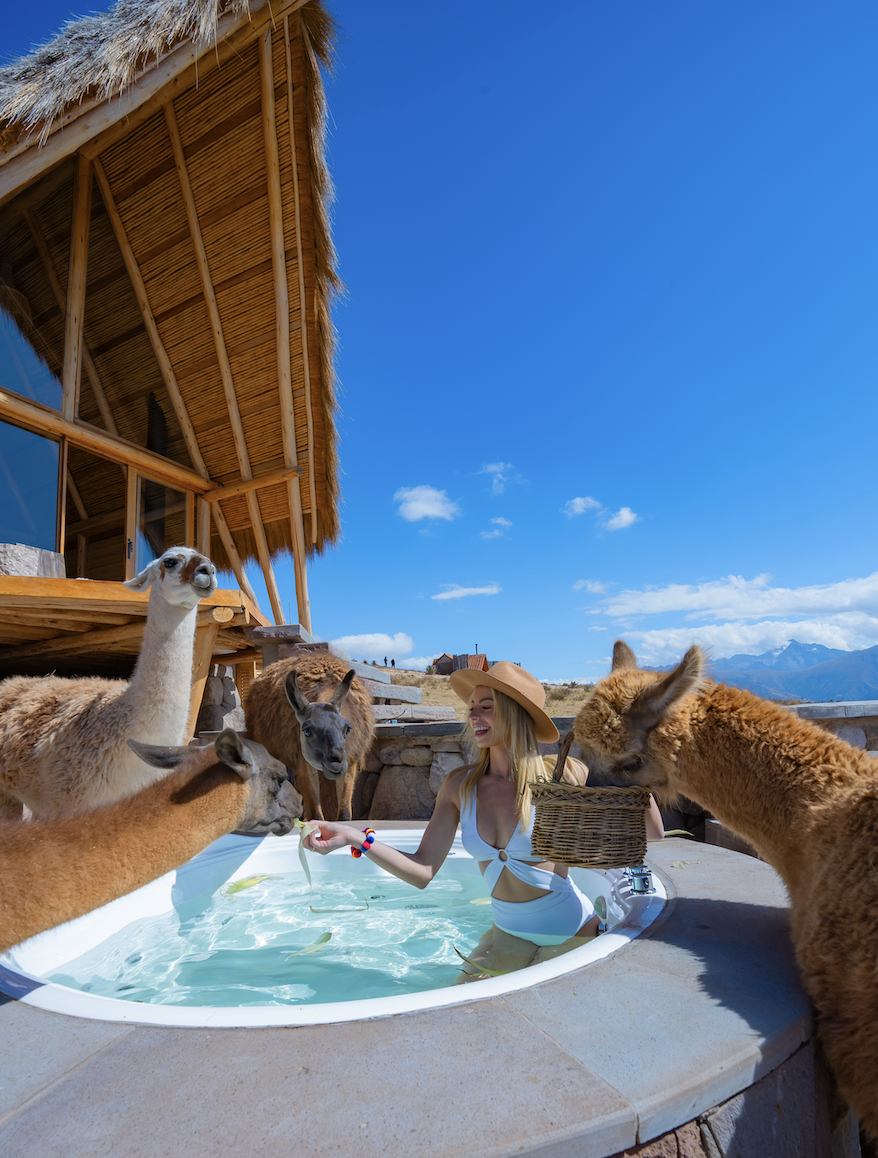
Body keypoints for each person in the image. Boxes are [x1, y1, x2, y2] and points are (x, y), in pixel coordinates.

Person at [305, 662, 664, 977]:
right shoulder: (459, 786)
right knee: (455, 1010)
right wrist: (355, 838)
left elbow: (654, 833)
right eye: (472, 707)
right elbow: (421, 871)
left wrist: (627, 766)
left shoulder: (563, 776)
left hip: (573, 932)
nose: (473, 716)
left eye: (486, 707)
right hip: (508, 932)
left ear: (514, 713)